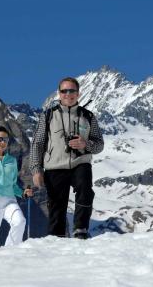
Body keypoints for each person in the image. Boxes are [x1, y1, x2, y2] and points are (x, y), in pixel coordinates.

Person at [30, 77, 104, 239]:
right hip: (55, 166)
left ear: (78, 93)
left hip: (80, 163)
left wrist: (86, 144)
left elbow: (99, 144)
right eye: (64, 91)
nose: (68, 94)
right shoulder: (48, 116)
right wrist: (36, 169)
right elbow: (37, 143)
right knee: (56, 205)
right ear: (59, 93)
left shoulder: (88, 116)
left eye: (72, 91)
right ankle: (56, 238)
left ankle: (81, 230)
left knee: (85, 189)